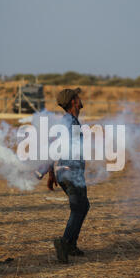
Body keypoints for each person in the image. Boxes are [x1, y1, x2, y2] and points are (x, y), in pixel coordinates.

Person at [36, 88, 90, 264]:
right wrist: (45, 170)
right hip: (70, 172)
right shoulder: (70, 122)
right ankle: (65, 243)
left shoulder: (69, 121)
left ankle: (71, 245)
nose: (81, 98)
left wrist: (52, 173)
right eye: (78, 96)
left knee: (83, 205)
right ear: (74, 101)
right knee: (78, 208)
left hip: (64, 172)